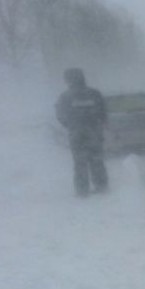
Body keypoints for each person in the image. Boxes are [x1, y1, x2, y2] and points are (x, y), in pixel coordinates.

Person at [55, 68, 108, 197]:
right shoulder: (94, 93)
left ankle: (82, 190)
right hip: (94, 132)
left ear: (69, 80)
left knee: (79, 163)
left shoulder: (65, 96)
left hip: (76, 134)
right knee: (97, 160)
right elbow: (103, 112)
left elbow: (60, 115)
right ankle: (101, 186)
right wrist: (97, 123)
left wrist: (70, 125)